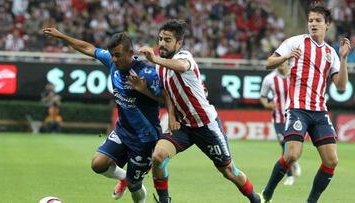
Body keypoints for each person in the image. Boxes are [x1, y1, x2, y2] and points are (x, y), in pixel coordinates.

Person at [135, 19, 261, 203]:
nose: (162, 43)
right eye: (160, 38)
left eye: (167, 40)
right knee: (158, 156)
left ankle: (255, 199)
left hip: (206, 126)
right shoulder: (160, 67)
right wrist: (170, 114)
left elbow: (182, 66)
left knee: (228, 171)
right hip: (183, 126)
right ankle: (164, 200)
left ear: (179, 43)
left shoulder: (184, 57)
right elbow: (168, 94)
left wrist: (155, 59)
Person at [43, 27, 165, 203]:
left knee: (134, 186)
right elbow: (88, 48)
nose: (114, 59)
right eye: (112, 55)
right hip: (123, 131)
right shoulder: (112, 62)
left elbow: (166, 97)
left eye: (117, 55)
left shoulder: (147, 73)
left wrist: (144, 90)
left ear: (130, 52)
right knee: (98, 164)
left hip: (144, 139)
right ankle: (123, 177)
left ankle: (133, 187)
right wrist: (61, 36)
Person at [261, 5, 351, 203]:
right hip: (297, 109)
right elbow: (268, 63)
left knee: (331, 160)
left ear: (327, 25)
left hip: (319, 112)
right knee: (292, 154)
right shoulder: (295, 42)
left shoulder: (331, 53)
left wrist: (343, 58)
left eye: (318, 20)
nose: (313, 24)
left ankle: (311, 201)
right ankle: (267, 193)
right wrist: (286, 57)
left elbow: (342, 86)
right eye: (310, 20)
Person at [259, 61, 301, 186]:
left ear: (287, 64)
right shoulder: (269, 79)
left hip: (295, 116)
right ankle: (290, 176)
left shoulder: (295, 74)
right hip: (278, 118)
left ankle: (294, 161)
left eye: (283, 64)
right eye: (279, 65)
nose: (281, 67)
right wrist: (267, 105)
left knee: (292, 147)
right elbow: (263, 96)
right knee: (284, 145)